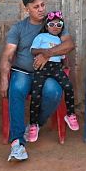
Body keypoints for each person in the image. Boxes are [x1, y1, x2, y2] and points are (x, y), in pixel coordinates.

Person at [1, 0, 74, 163]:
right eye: (36, 6)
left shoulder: (53, 23)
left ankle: (35, 124)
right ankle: (17, 142)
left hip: (48, 72)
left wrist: (47, 54)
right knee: (16, 89)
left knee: (54, 92)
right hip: (23, 72)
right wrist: (4, 79)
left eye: (42, 5)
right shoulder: (19, 28)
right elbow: (7, 55)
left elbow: (69, 45)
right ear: (27, 9)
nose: (41, 9)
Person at [27, 11, 80, 142]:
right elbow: (33, 50)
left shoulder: (60, 40)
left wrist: (64, 63)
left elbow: (63, 56)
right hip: (42, 68)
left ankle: (70, 114)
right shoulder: (41, 37)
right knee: (36, 93)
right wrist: (45, 52)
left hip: (56, 68)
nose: (55, 26)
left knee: (68, 86)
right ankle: (34, 124)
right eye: (52, 24)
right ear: (46, 25)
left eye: (59, 24)